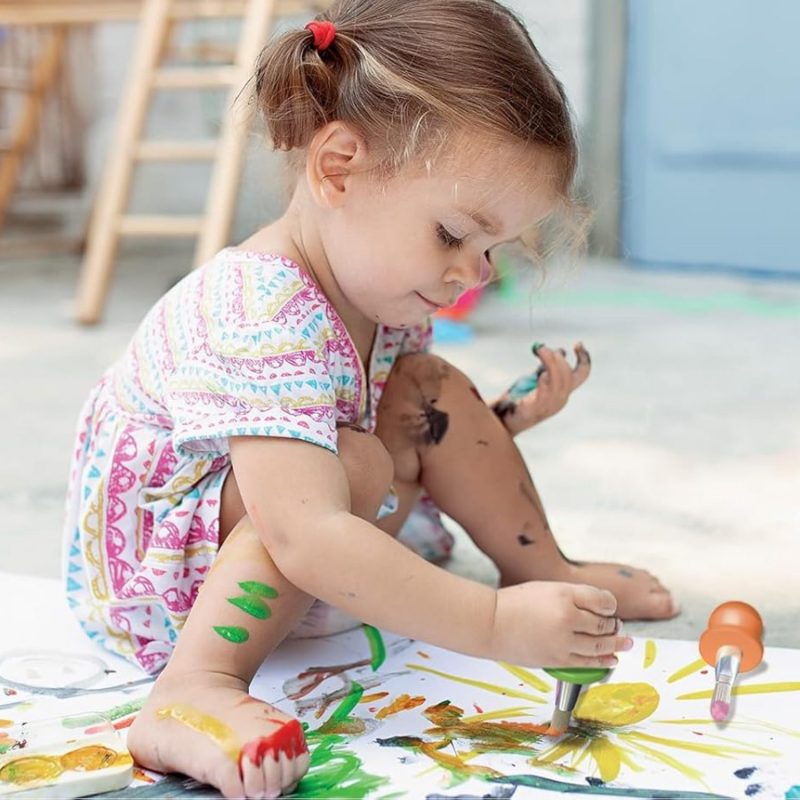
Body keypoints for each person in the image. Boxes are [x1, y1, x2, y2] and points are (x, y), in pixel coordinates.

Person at [63, 1, 677, 796]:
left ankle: (538, 568)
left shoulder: (374, 290)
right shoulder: (261, 306)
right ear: (339, 169)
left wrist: (500, 423)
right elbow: (304, 527)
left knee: (429, 389)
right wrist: (491, 629)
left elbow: (392, 417)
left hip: (300, 524)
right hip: (174, 586)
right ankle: (195, 687)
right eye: (453, 235)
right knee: (348, 466)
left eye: (491, 249)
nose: (474, 273)